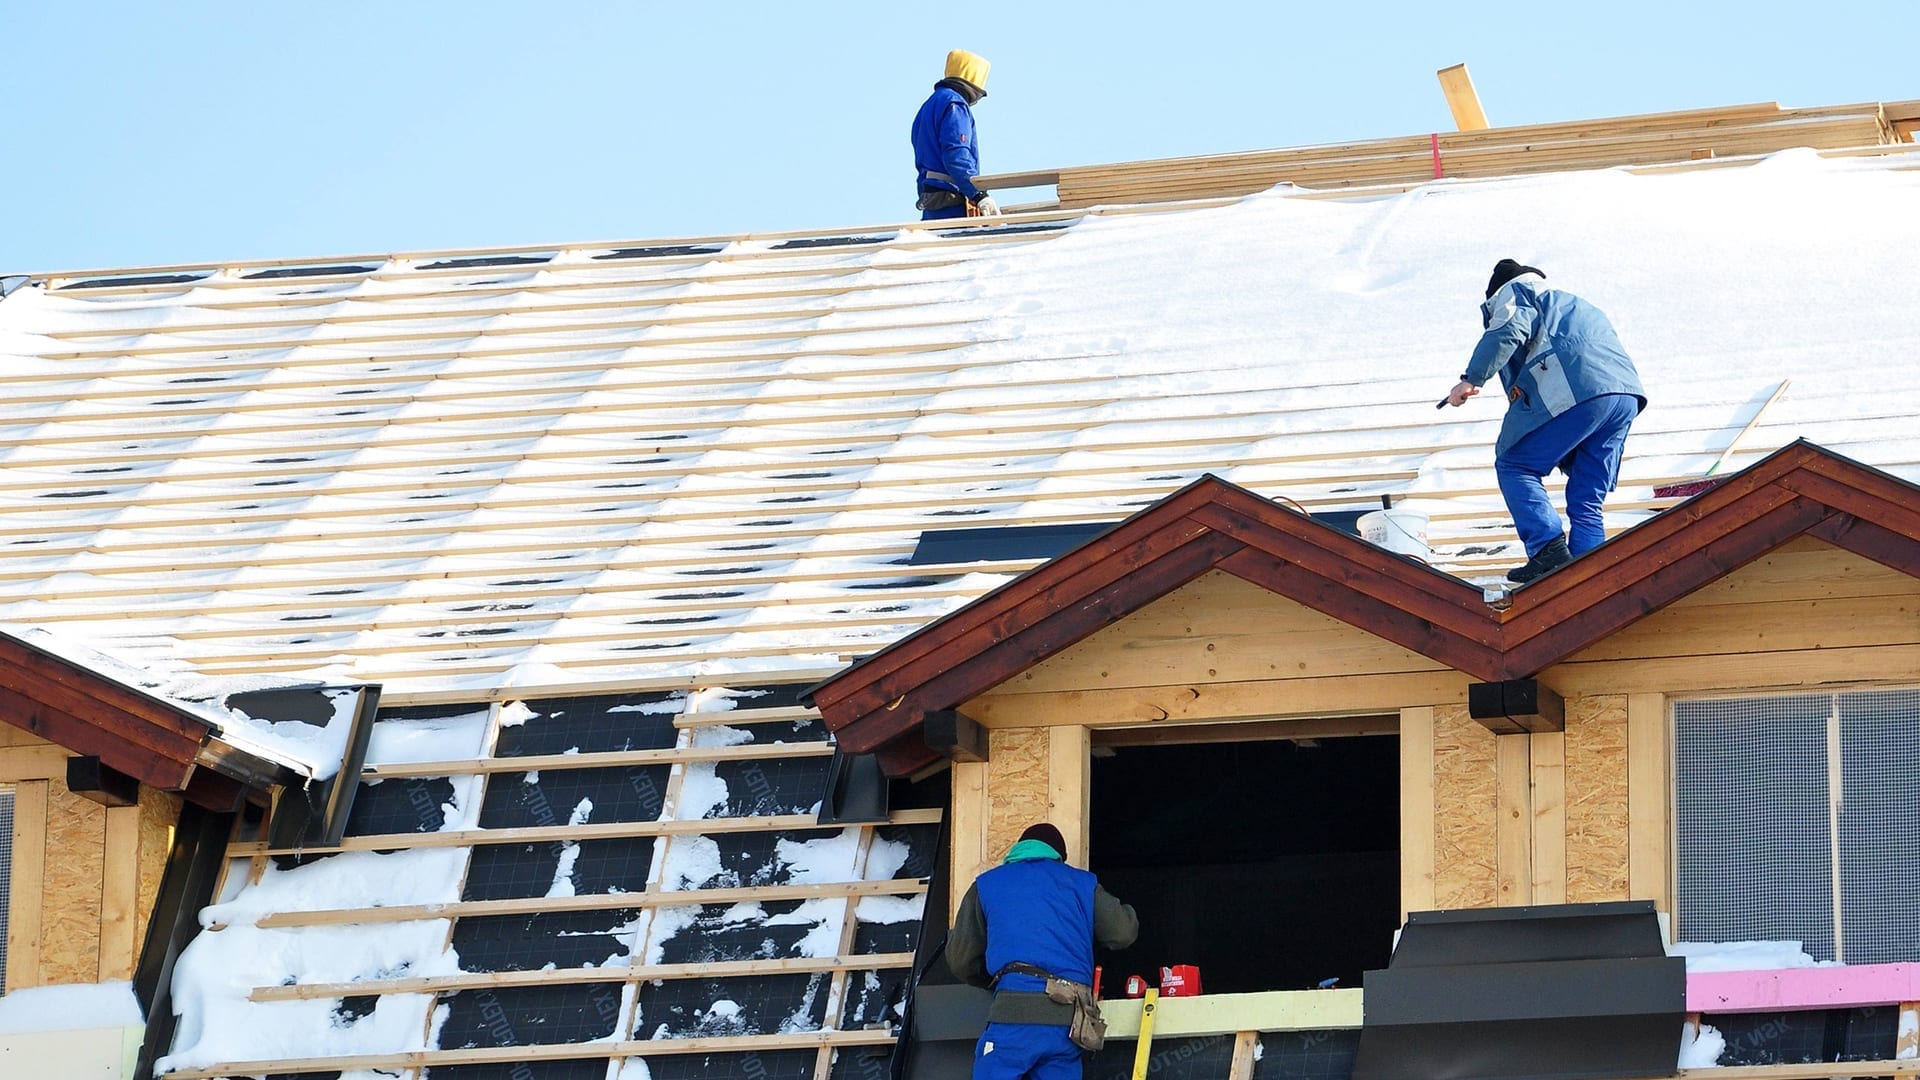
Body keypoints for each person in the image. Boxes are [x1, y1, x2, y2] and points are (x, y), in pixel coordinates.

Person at [1444, 259, 1647, 583]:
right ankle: (1588, 574)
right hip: (1623, 398)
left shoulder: (1517, 293)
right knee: (1586, 493)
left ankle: (1547, 551)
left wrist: (1472, 378)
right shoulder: (1577, 303)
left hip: (1579, 389)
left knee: (1515, 464)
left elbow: (1506, 331)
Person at [947, 822, 1138, 1080]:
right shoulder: (1081, 883)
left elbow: (961, 960)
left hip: (1012, 1018)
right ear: (1058, 857)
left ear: (1018, 851)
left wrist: (999, 983)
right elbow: (1123, 932)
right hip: (1068, 1023)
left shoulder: (987, 884)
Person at [911, 49, 1002, 220]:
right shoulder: (955, 104)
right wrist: (978, 195)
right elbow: (956, 155)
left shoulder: (928, 106)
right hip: (952, 204)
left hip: (932, 202)